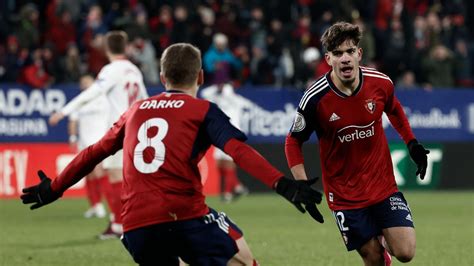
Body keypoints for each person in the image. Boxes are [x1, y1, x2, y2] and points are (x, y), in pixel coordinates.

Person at [21, 43, 323, 265]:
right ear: (201, 77)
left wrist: (54, 188)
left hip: (136, 228)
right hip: (185, 218)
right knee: (240, 250)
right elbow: (239, 152)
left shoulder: (135, 110)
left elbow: (94, 152)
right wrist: (283, 185)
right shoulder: (203, 110)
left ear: (162, 78)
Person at [285, 22, 429, 266]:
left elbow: (394, 110)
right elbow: (292, 141)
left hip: (382, 186)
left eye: (350, 51)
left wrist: (412, 143)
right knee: (373, 259)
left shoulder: (380, 83)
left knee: (406, 251)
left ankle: (385, 241)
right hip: (344, 195)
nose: (345, 59)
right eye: (338, 53)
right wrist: (301, 183)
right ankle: (379, 250)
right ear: (328, 59)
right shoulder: (315, 98)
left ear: (359, 54)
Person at [49, 31, 149, 239]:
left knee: (112, 176)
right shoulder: (134, 70)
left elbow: (92, 92)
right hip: (136, 129)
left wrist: (64, 111)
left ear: (106, 49)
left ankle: (120, 225)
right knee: (124, 177)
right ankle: (123, 222)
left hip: (120, 130)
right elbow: (145, 99)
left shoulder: (111, 70)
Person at [201, 83, 250, 202]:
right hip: (220, 134)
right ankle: (238, 186)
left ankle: (228, 193)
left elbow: (247, 105)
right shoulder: (217, 100)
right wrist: (216, 87)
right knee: (220, 163)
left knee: (228, 162)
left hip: (232, 134)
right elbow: (204, 93)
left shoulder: (236, 100)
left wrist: (225, 90)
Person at [68, 74, 109, 218]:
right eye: (82, 82)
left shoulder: (103, 99)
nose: (85, 84)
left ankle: (105, 205)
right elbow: (73, 120)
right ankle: (95, 205)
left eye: (87, 82)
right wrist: (73, 137)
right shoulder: (80, 102)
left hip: (100, 141)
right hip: (84, 142)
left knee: (99, 172)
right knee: (88, 173)